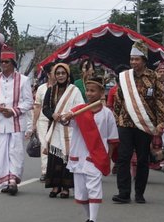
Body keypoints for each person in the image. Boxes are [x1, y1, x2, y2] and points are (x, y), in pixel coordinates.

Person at [112, 41, 164, 204]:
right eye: (131, 59)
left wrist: (160, 122)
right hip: (126, 123)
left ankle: (139, 193)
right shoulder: (124, 77)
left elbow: (160, 101)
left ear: (144, 60)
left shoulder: (154, 77)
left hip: (145, 124)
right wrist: (117, 119)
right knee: (123, 157)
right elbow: (118, 100)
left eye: (137, 59)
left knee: (143, 159)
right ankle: (123, 193)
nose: (133, 62)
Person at [61, 76, 118, 222]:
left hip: (96, 156)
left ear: (101, 93)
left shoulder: (107, 114)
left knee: (94, 188)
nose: (90, 93)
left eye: (93, 91)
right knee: (81, 193)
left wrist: (108, 158)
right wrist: (65, 117)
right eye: (88, 90)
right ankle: (89, 217)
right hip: (78, 155)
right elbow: (65, 122)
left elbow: (112, 139)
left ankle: (93, 219)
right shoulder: (78, 111)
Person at [0, 46, 33, 195]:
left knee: (15, 152)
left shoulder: (23, 80)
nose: (3, 65)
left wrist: (12, 111)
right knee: (0, 152)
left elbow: (28, 102)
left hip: (16, 122)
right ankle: (5, 180)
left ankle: (13, 181)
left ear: (13, 63)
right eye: (1, 62)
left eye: (6, 62)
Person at [42, 63, 84, 198]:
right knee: (55, 158)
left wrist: (69, 115)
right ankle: (55, 186)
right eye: (58, 73)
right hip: (55, 127)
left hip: (69, 127)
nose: (60, 76)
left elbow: (80, 107)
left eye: (63, 73)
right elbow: (45, 108)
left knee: (66, 158)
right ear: (54, 75)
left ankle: (66, 187)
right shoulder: (51, 90)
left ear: (67, 75)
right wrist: (52, 114)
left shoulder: (74, 90)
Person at [31, 62, 56, 182]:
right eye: (54, 71)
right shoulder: (41, 89)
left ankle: (57, 171)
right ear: (48, 74)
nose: (57, 74)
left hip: (58, 121)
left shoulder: (65, 87)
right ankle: (45, 171)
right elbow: (37, 107)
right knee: (44, 145)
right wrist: (34, 124)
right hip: (43, 120)